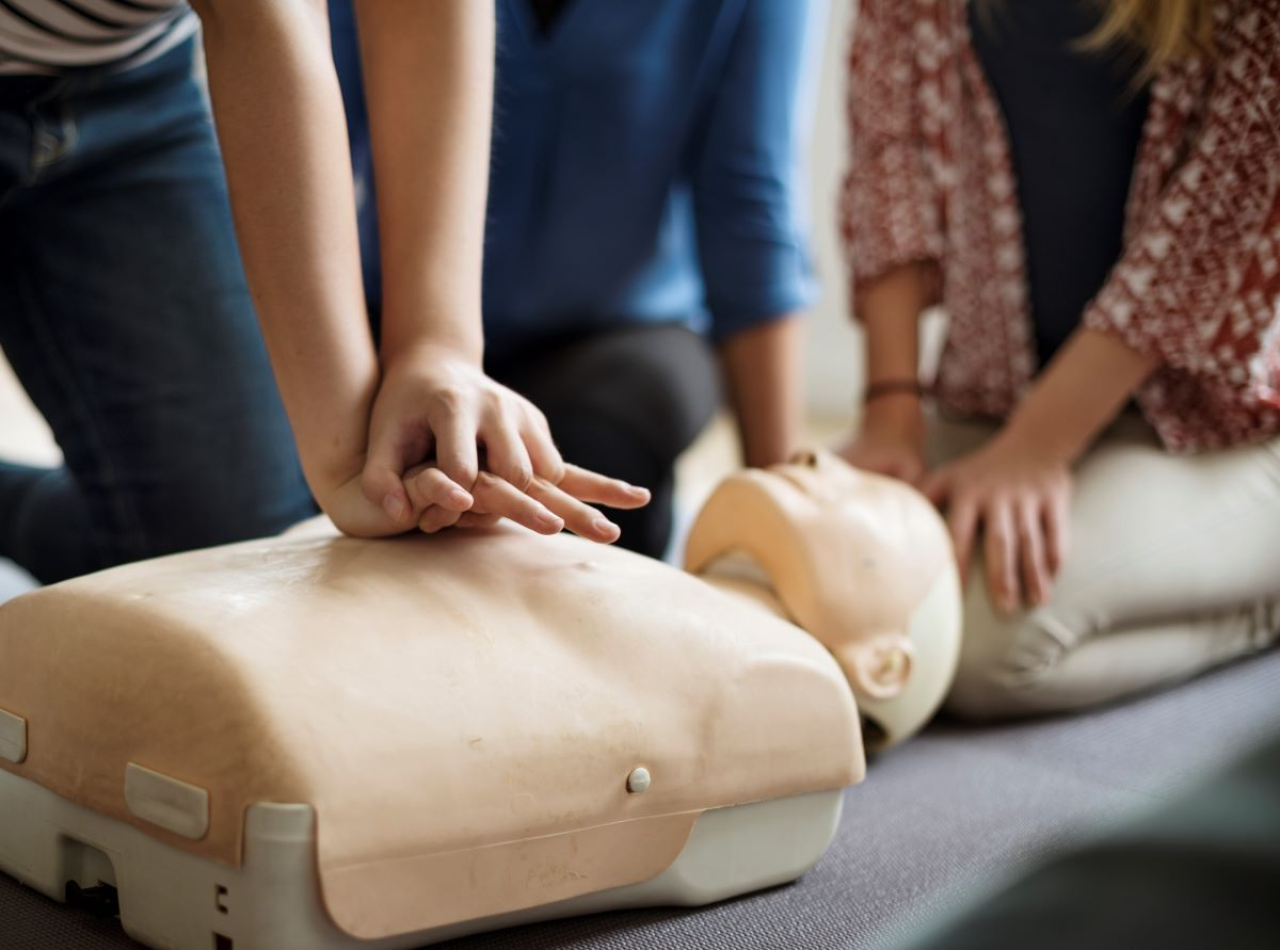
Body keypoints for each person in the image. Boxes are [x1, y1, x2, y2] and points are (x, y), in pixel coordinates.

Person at [0, 0, 646, 586]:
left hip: (126, 79)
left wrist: (437, 347)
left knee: (229, 534)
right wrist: (343, 458)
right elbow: (264, 12)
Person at [839, 0, 1280, 718]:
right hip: (1000, 400)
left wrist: (1039, 448)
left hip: (1217, 426)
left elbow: (1216, 217)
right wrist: (890, 412)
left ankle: (1261, 595)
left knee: (981, 648)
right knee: (803, 577)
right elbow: (890, 158)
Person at [330, 0, 824, 558]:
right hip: (393, 310)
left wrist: (784, 514)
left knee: (599, 444)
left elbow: (748, 202)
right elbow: (319, 131)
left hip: (620, 331)